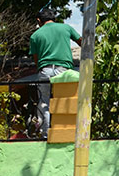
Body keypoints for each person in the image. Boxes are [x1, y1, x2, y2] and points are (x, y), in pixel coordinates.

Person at [26, 9, 81, 138]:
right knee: (65, 100)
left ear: (39, 21)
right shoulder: (66, 28)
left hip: (45, 70)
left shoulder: (35, 35)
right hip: (64, 70)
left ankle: (46, 134)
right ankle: (67, 133)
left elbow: (36, 59)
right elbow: (82, 42)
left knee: (45, 102)